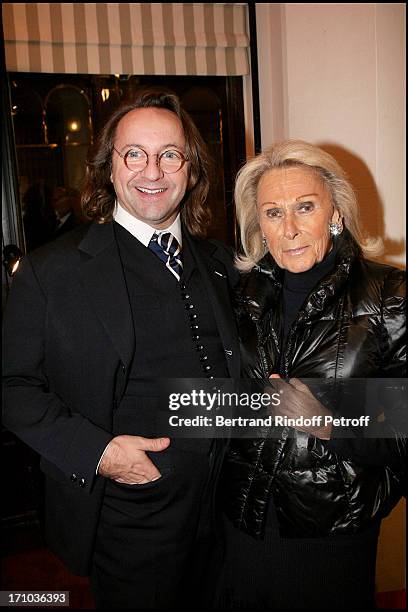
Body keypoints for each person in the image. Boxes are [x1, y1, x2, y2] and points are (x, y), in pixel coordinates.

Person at [3, 89, 240, 609]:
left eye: (169, 154)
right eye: (135, 153)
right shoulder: (51, 272)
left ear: (191, 169)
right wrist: (99, 453)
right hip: (129, 517)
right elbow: (13, 388)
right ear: (108, 168)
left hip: (226, 511)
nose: (152, 170)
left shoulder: (221, 261)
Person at [217, 140, 406, 609]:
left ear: (336, 212)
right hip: (244, 521)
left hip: (333, 532)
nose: (291, 229)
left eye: (305, 207)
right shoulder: (240, 297)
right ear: (258, 224)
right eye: (273, 213)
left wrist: (329, 421)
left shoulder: (390, 294)